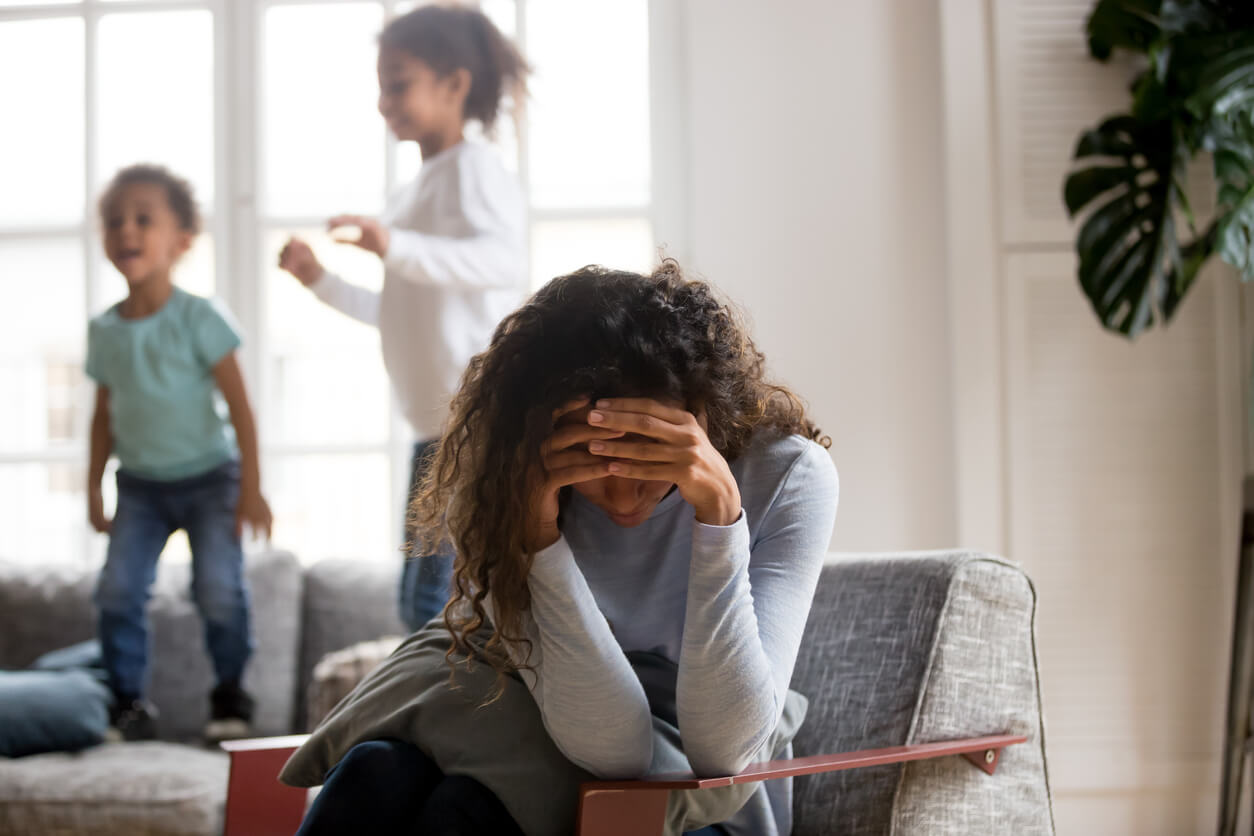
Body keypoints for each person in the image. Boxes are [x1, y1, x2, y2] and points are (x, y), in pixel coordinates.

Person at [282, 262, 840, 836]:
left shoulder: (787, 475)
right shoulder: (504, 480)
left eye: (650, 456)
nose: (623, 494)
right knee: (377, 774)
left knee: (467, 810)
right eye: (593, 461)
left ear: (701, 416)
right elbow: (613, 744)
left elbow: (721, 751)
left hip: (702, 804)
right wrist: (537, 540)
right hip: (542, 709)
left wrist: (721, 519)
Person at [276, 3, 529, 632]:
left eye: (398, 84)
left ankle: (436, 716)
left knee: (434, 599)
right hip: (433, 426)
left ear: (454, 84)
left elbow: (502, 260)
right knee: (418, 598)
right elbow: (393, 312)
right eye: (382, 87)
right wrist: (320, 280)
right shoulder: (412, 192)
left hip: (475, 418)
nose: (384, 102)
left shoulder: (472, 168)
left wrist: (393, 245)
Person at [86, 164, 273, 743]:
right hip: (139, 486)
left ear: (181, 242)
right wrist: (93, 487)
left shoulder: (200, 317)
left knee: (218, 588)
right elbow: (102, 417)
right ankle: (127, 703)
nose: (127, 231)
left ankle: (230, 694)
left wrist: (251, 487)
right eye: (115, 221)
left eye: (144, 219)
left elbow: (241, 407)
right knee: (117, 591)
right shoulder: (105, 331)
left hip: (211, 480)